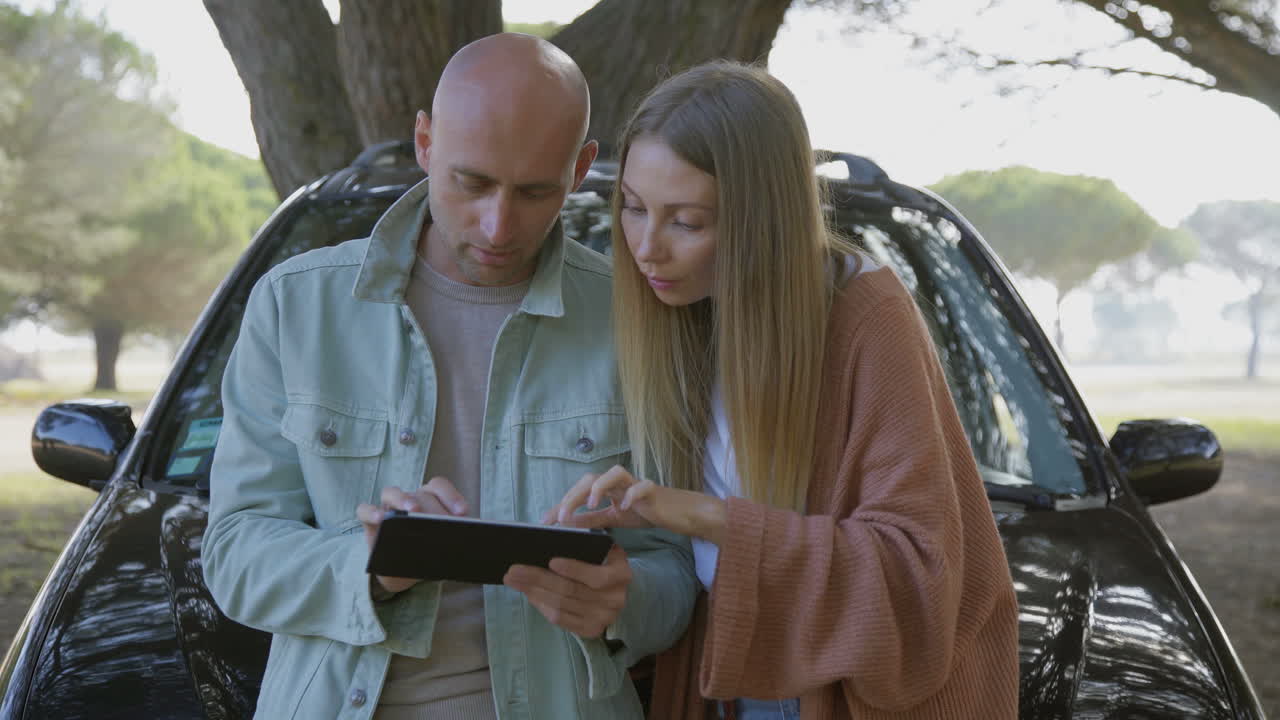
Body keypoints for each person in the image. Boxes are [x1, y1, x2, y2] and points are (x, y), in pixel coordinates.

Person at [202, 33, 697, 720]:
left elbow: (679, 565)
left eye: (533, 191)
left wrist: (627, 599)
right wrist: (367, 567)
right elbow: (233, 554)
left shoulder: (635, 316)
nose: (498, 225)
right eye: (473, 182)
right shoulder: (296, 305)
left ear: (581, 168)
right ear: (426, 144)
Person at [547, 61, 1020, 719]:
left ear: (760, 220)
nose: (646, 247)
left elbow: (915, 577)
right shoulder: (675, 313)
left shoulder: (864, 316)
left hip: (833, 688)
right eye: (632, 207)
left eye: (686, 221)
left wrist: (694, 514)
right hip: (721, 664)